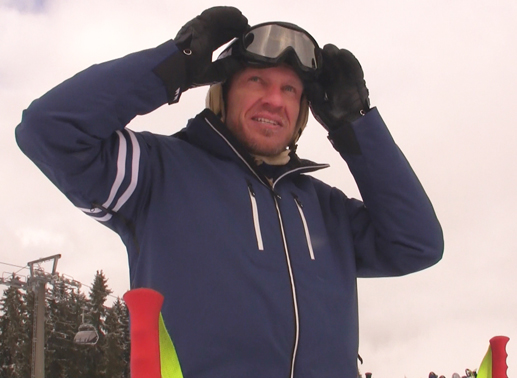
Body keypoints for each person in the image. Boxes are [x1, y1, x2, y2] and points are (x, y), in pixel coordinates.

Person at [15, 6, 444, 378]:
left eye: (290, 89)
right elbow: (50, 130)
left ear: (303, 114)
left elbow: (417, 243)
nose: (274, 100)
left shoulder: (322, 206)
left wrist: (357, 125)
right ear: (222, 91)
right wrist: (175, 65)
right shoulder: (158, 173)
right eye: (257, 80)